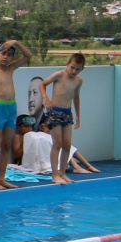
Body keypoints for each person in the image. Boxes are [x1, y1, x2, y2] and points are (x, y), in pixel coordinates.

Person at [0, 39, 33, 190]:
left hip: (11, 108)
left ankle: (1, 178)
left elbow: (28, 56)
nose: (6, 57)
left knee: (6, 145)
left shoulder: (11, 68)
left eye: (9, 55)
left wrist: (16, 42)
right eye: (3, 53)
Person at [39, 53, 86, 185]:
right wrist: (45, 97)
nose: (74, 71)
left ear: (82, 69)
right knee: (57, 143)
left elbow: (76, 97)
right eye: (72, 67)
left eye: (77, 69)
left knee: (67, 144)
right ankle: (55, 175)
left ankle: (62, 173)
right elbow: (42, 84)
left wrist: (78, 115)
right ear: (67, 64)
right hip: (55, 112)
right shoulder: (59, 75)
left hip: (67, 113)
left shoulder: (79, 80)